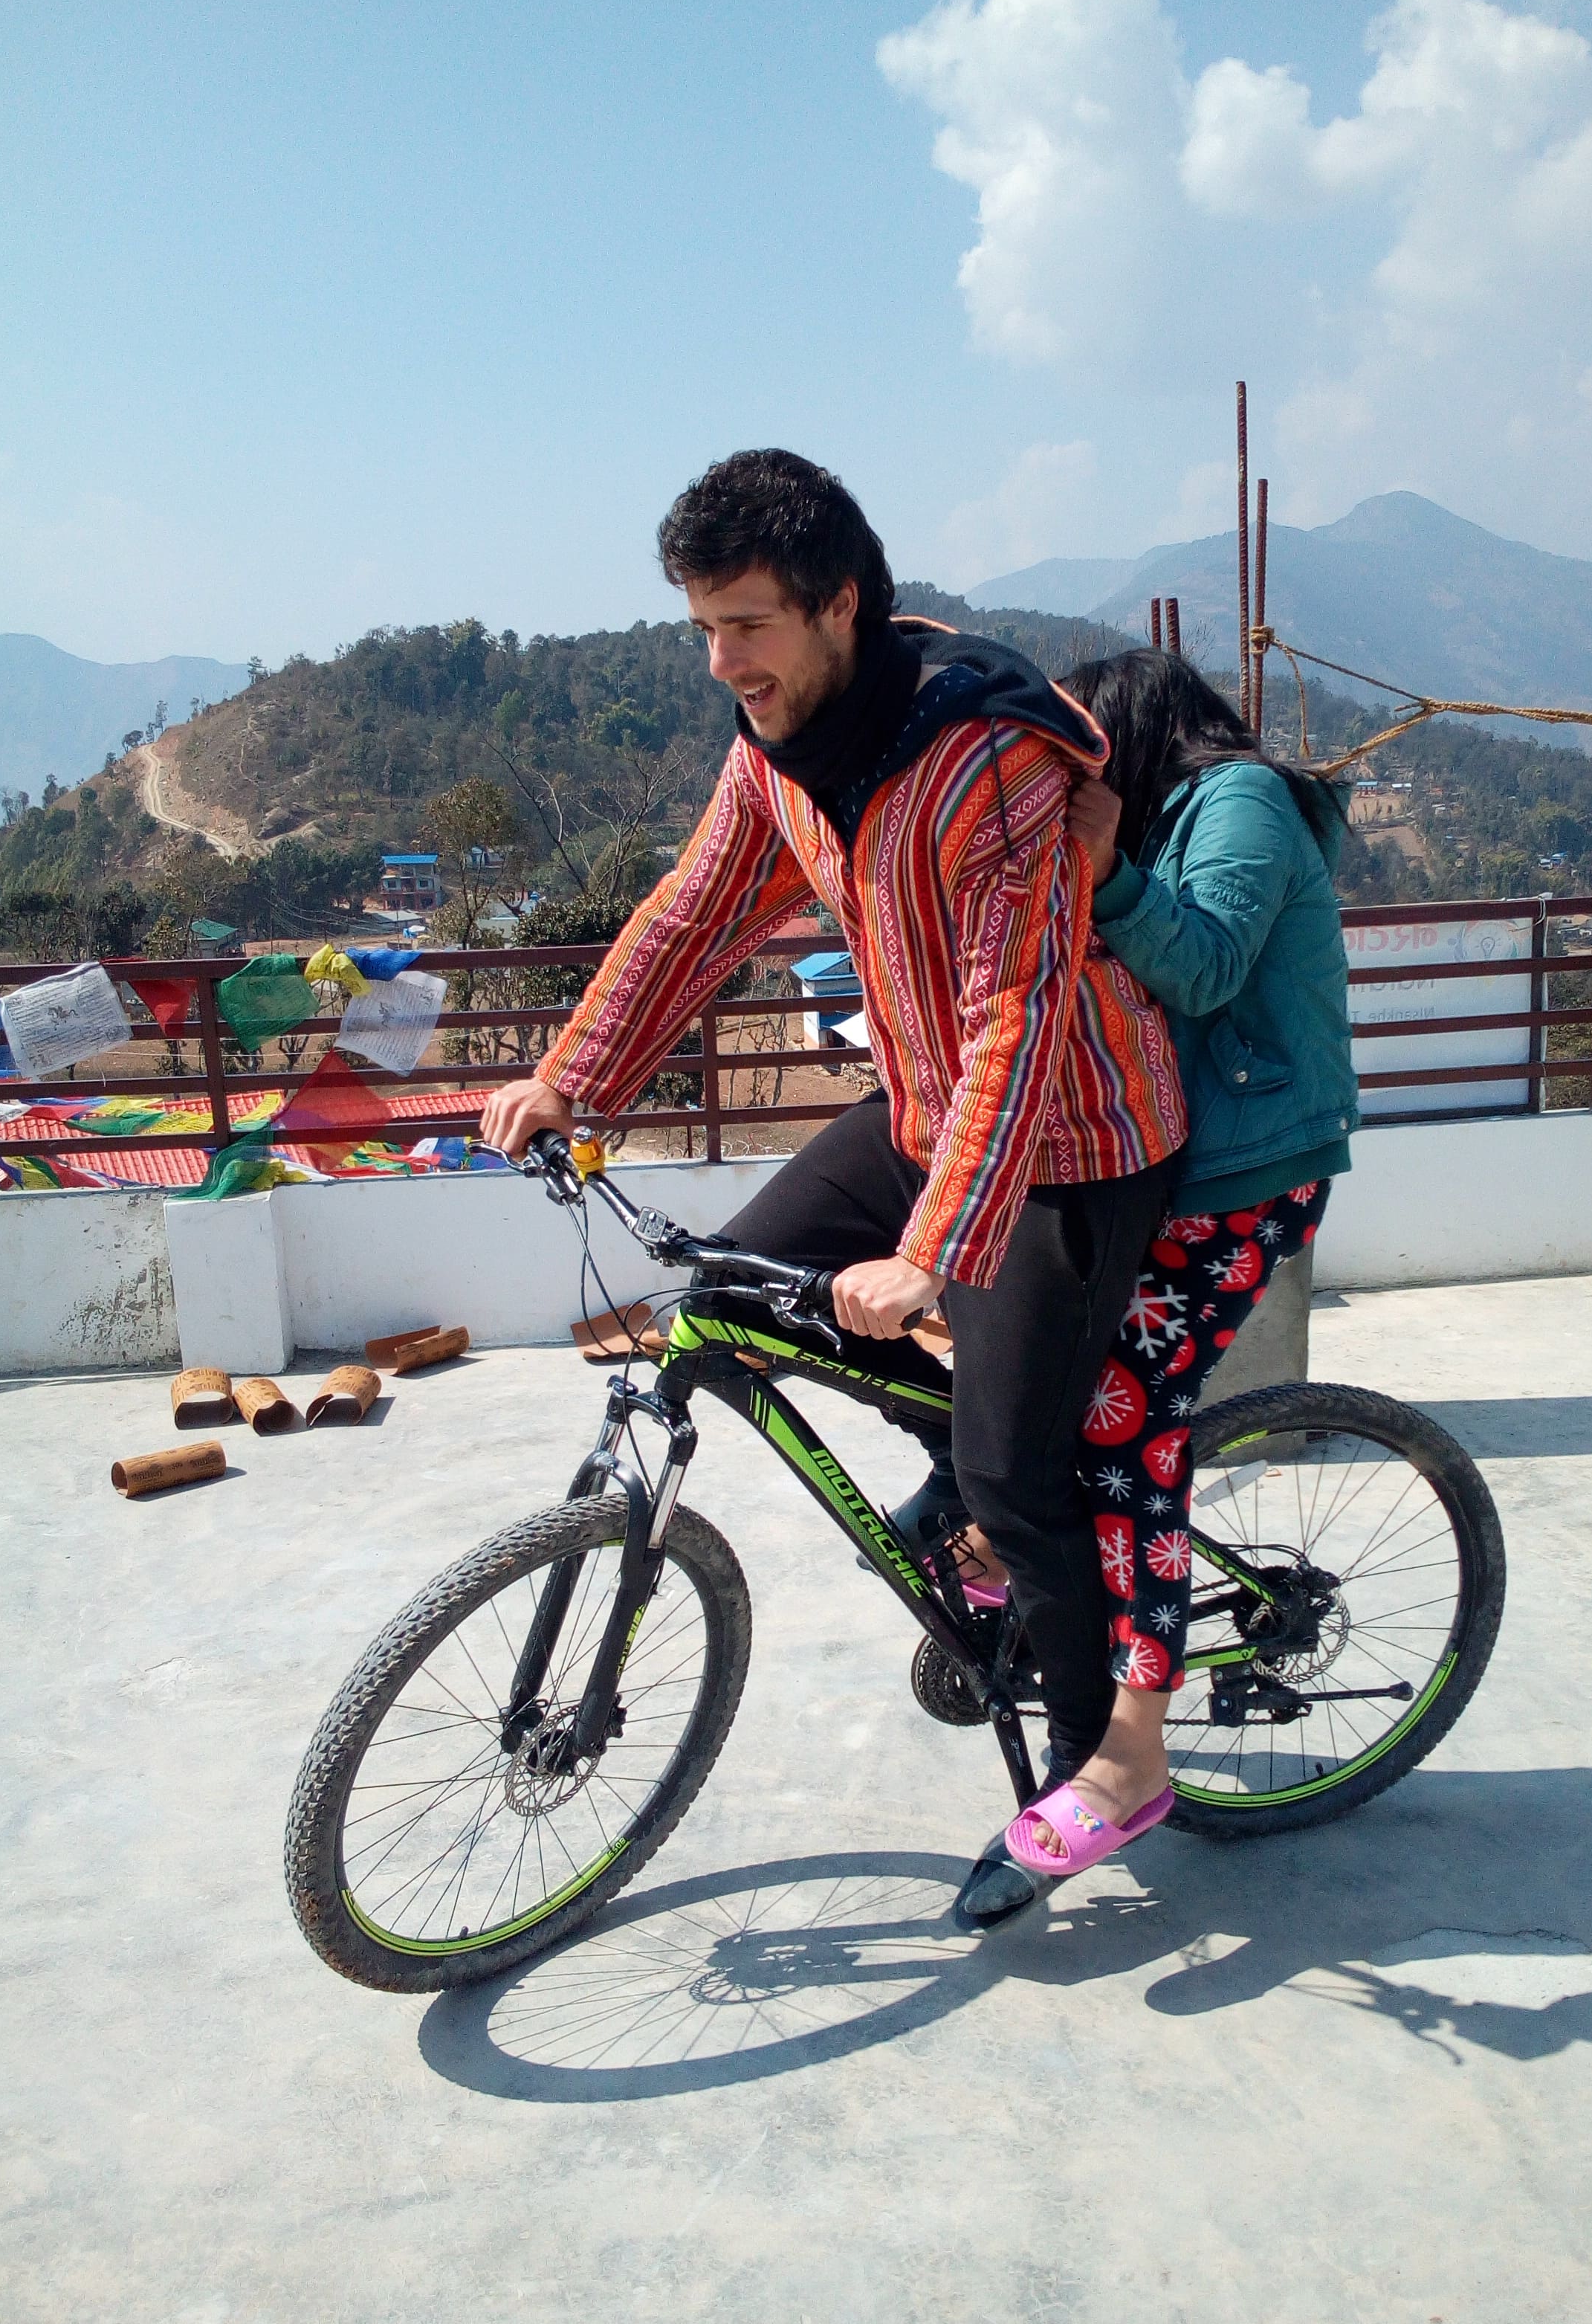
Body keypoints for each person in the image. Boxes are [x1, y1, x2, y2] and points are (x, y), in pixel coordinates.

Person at [479, 451, 1188, 1896]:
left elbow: (1016, 1016)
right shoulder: (780, 748)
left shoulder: (988, 759)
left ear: (840, 604)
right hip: (927, 1112)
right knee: (729, 1304)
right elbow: (695, 914)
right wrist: (573, 1078)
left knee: (1017, 1470)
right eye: (703, 629)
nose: (722, 662)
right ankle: (961, 1469)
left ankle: (1095, 1771)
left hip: (1070, 1140)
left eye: (747, 625)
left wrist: (932, 1255)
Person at [986, 645, 1358, 1872]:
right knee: (1015, 1364)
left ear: (1134, 732)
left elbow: (1203, 966)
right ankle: (1014, 1558)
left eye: (1087, 748)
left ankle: (1134, 1746)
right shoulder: (1167, 820)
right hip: (1153, 1163)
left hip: (1244, 1176)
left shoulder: (1240, 799)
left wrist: (1106, 867)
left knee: (1121, 1426)